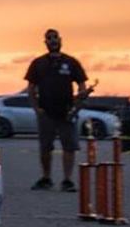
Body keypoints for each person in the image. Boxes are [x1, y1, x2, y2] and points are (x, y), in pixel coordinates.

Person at [25, 29, 88, 192]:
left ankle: (67, 180)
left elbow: (82, 84)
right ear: (45, 42)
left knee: (69, 147)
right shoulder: (38, 63)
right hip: (46, 112)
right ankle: (46, 178)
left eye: (55, 38)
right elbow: (31, 88)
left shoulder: (71, 62)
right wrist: (36, 108)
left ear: (60, 40)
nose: (53, 40)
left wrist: (79, 100)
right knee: (45, 147)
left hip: (67, 112)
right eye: (49, 38)